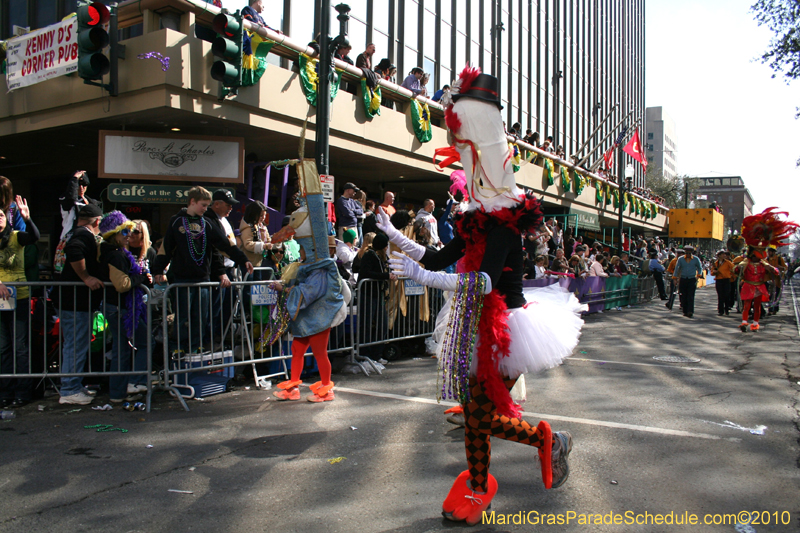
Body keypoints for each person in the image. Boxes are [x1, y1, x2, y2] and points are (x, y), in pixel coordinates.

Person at [379, 67, 580, 524]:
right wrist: (395, 235)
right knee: (476, 416)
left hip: (506, 330)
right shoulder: (475, 221)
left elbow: (483, 281)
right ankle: (482, 480)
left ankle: (545, 441)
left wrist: (422, 276)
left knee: (478, 417)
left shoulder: (506, 228)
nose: (474, 185)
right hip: (474, 323)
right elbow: (437, 257)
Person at [152, 187, 253, 354]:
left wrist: (243, 259)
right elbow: (166, 248)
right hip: (182, 278)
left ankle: (196, 346)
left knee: (201, 316)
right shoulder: (176, 221)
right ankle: (179, 347)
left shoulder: (207, 223)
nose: (206, 209)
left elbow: (225, 245)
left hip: (203, 278)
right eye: (203, 205)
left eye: (207, 206)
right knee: (183, 316)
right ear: (192, 202)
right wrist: (158, 270)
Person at [269, 188, 348, 402]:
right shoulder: (310, 266)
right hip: (307, 317)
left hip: (319, 316)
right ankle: (293, 387)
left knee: (320, 353)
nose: (300, 253)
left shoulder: (320, 268)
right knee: (296, 348)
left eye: (303, 250)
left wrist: (284, 289)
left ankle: (326, 389)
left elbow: (310, 292)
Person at [97, 211, 151, 402]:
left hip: (117, 307)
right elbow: (123, 285)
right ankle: (135, 382)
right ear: (114, 234)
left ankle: (117, 394)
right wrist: (142, 278)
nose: (129, 236)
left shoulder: (114, 253)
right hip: (120, 308)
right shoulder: (116, 256)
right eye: (125, 232)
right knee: (146, 343)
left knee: (122, 350)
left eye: (130, 231)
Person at [55, 204, 104, 405]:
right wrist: (86, 277)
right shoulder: (83, 236)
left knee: (74, 344)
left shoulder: (70, 232)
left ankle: (73, 386)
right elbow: (74, 251)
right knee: (76, 345)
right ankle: (69, 389)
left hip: (68, 299)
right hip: (75, 301)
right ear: (97, 221)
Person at [0, 195, 38, 408]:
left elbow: (34, 236)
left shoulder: (15, 237)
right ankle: (5, 391)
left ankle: (22, 392)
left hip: (19, 297)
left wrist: (27, 218)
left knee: (20, 347)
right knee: (3, 347)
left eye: (1, 216)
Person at [205, 189, 241, 342]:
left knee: (227, 309)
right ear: (217, 204)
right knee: (215, 309)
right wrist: (220, 271)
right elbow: (216, 248)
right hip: (218, 272)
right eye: (228, 205)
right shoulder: (210, 220)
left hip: (229, 270)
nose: (230, 208)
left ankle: (222, 337)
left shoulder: (225, 220)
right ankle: (211, 339)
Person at [54, 171, 101, 274]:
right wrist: (74, 179)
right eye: (78, 185)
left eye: (84, 185)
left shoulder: (91, 202)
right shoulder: (66, 200)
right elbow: (71, 198)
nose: (81, 188)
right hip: (69, 239)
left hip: (89, 240)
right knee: (64, 272)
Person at [672, 245, 703, 318]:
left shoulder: (696, 259)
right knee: (683, 295)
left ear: (692, 253)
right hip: (683, 279)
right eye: (687, 253)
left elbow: (700, 267)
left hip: (692, 279)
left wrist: (698, 275)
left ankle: (690, 311)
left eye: (690, 253)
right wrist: (675, 278)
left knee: (690, 296)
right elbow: (677, 269)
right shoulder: (680, 259)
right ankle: (685, 311)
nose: (688, 254)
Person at [710, 250, 734, 315]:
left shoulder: (728, 262)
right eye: (723, 254)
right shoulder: (716, 263)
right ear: (719, 256)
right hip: (719, 280)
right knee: (720, 296)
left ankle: (726, 309)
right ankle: (720, 310)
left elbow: (733, 268)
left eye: (725, 254)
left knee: (727, 295)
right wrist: (714, 272)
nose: (724, 256)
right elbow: (712, 273)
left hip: (726, 280)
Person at [766, 247, 787, 315]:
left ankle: (775, 309)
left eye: (770, 252)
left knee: (776, 295)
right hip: (770, 280)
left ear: (773, 252)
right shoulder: (767, 259)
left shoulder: (780, 259)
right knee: (770, 295)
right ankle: (770, 309)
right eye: (768, 252)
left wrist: (780, 267)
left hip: (778, 281)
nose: (768, 253)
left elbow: (785, 268)